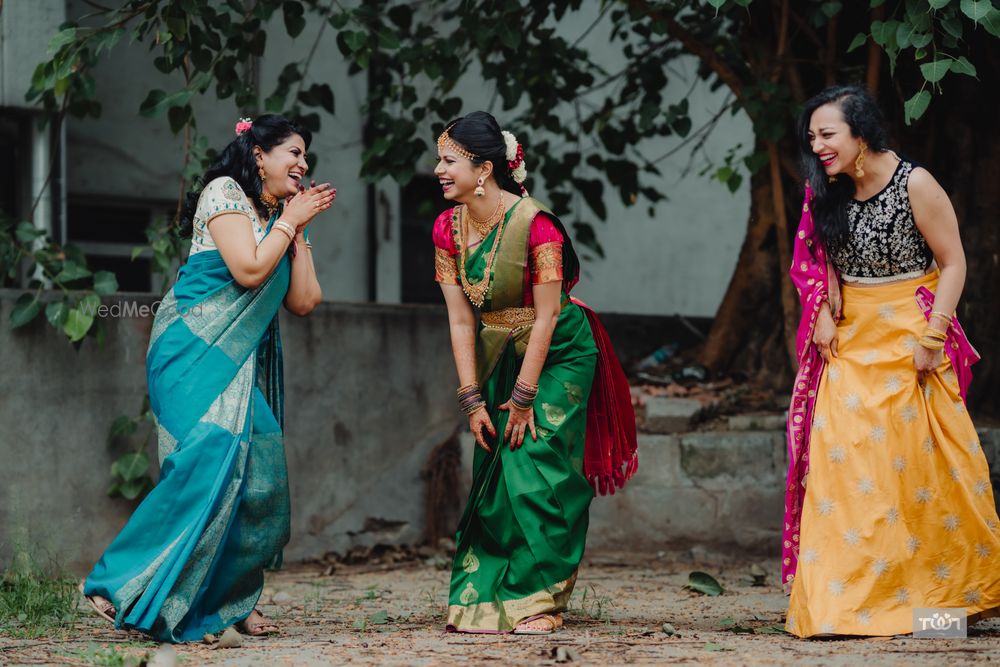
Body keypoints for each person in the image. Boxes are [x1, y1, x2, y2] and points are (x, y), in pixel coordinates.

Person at [81, 114, 334, 641]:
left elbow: (305, 302)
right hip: (192, 347)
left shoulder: (278, 215)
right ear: (259, 155)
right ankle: (112, 583)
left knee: (260, 472)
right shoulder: (225, 193)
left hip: (238, 359)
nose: (303, 163)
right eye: (293, 152)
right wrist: (287, 223)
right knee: (205, 459)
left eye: (305, 156)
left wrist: (298, 231)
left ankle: (227, 601)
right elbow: (246, 269)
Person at [783, 85, 1000, 637]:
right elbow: (813, 262)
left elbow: (953, 262)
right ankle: (844, 609)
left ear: (861, 133)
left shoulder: (915, 183)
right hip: (851, 340)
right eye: (812, 136)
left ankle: (939, 613)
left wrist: (933, 336)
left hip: (912, 339)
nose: (818, 145)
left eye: (828, 134)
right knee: (845, 471)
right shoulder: (824, 188)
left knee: (922, 474)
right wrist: (823, 314)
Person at [432, 111, 638, 635]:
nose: (438, 169)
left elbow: (547, 314)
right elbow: (460, 318)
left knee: (536, 467)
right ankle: (486, 600)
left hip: (559, 350)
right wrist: (472, 400)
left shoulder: (535, 224)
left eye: (449, 160)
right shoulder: (446, 228)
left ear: (483, 169)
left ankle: (539, 601)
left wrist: (523, 398)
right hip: (497, 350)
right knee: (496, 474)